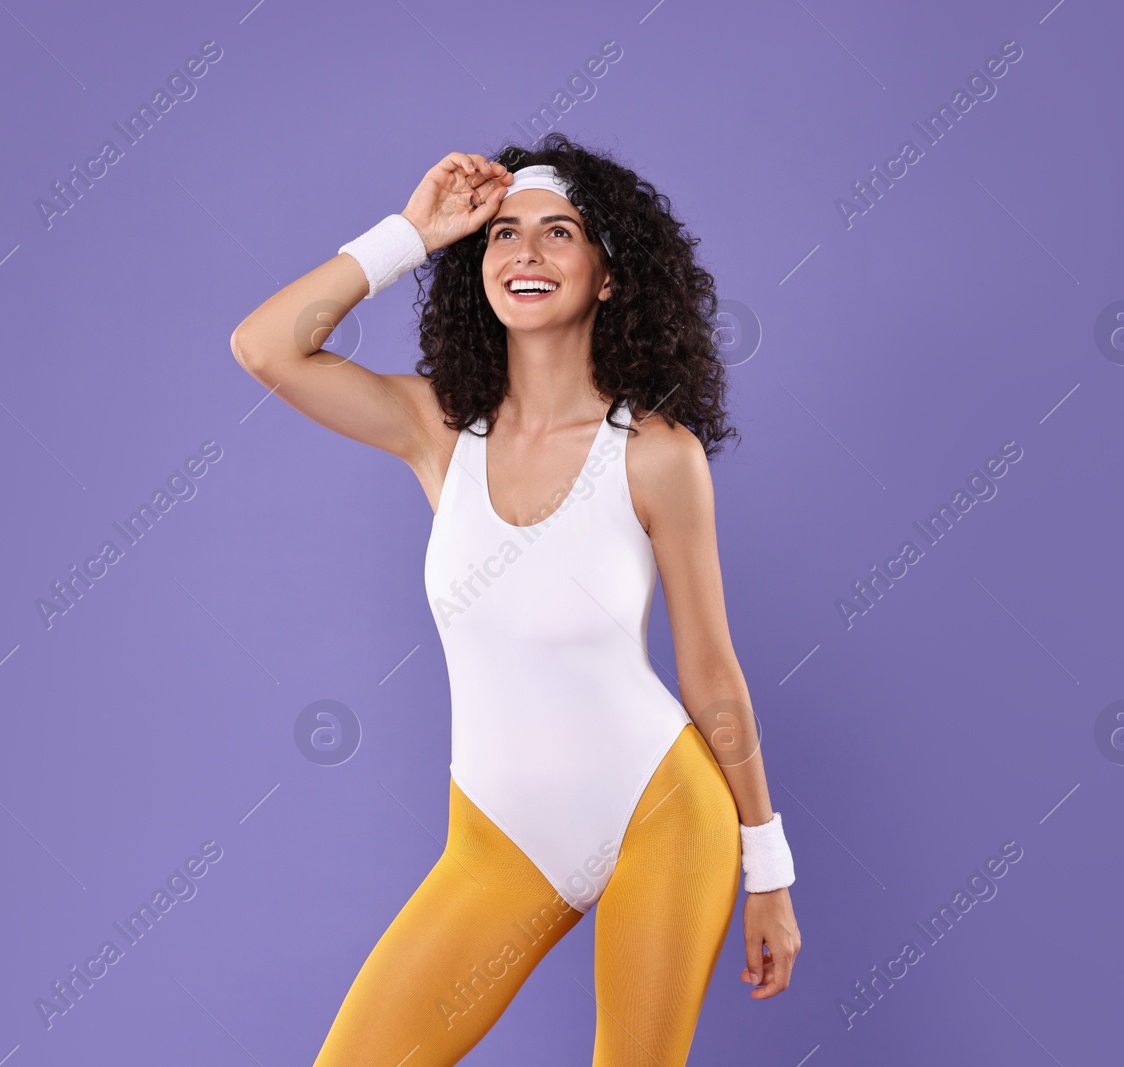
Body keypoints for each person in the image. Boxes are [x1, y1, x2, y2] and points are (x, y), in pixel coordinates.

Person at [229, 132, 801, 1066]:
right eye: (504, 235)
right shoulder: (437, 431)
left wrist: (768, 868)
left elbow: (710, 670)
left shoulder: (658, 454)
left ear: (609, 276)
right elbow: (264, 346)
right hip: (497, 840)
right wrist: (411, 233)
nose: (526, 253)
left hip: (663, 812)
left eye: (560, 232)